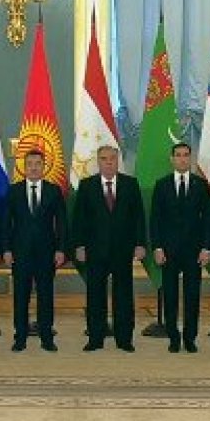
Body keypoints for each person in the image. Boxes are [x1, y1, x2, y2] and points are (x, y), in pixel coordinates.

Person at [72, 145, 145, 353]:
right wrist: (79, 245)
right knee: (95, 295)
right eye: (104, 158)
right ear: (98, 161)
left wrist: (140, 243)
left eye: (112, 158)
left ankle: (124, 339)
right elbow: (79, 219)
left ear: (118, 159)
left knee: (123, 295)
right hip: (95, 250)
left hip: (123, 249)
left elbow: (138, 217)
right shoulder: (87, 185)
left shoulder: (130, 184)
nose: (109, 162)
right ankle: (95, 338)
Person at [150, 142, 210, 353]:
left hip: (194, 251)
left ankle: (190, 338)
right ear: (172, 159)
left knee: (192, 296)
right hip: (168, 251)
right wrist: (157, 247)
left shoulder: (201, 185)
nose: (182, 159)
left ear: (190, 158)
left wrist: (206, 248)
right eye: (178, 155)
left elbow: (208, 219)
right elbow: (155, 219)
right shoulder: (162, 185)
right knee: (170, 296)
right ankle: (173, 338)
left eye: (186, 155)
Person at [3, 149, 67, 352]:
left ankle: (46, 337)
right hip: (20, 253)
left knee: (45, 296)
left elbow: (62, 223)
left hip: (46, 253)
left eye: (37, 163)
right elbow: (6, 223)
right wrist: (6, 249)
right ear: (24, 167)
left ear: (43, 166)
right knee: (21, 297)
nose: (33, 167)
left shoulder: (53, 191)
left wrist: (61, 249)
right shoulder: (13, 191)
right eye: (29, 164)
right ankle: (20, 337)